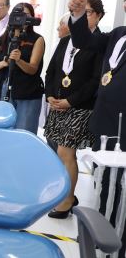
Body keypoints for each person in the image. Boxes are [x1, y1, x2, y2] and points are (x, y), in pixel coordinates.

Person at [68, 0, 126, 256]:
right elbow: (83, 41)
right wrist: (79, 17)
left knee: (121, 192)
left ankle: (117, 244)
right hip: (105, 126)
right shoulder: (118, 34)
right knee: (103, 186)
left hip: (123, 131)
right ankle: (102, 239)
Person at [43, 12, 102, 219]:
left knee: (65, 152)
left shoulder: (99, 43)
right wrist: (50, 95)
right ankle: (64, 193)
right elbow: (51, 72)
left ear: (98, 16)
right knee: (59, 152)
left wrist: (71, 101)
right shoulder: (66, 41)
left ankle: (67, 201)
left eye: (88, 13)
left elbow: (95, 80)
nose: (83, 17)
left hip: (79, 107)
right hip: (57, 104)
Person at [0, 2, 45, 134]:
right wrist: (4, 63)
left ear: (31, 17)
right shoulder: (2, 39)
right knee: (3, 131)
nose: (22, 18)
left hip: (28, 91)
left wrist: (19, 60)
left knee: (24, 132)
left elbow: (33, 69)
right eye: (18, 14)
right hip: (5, 88)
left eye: (26, 15)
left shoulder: (37, 39)